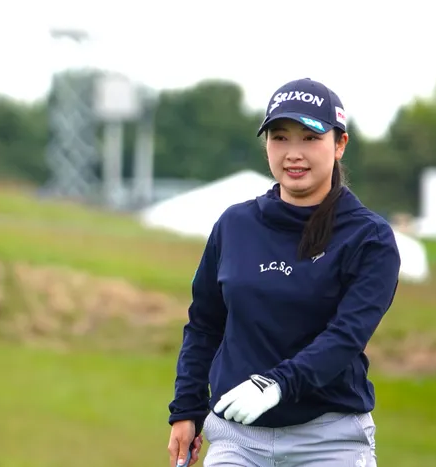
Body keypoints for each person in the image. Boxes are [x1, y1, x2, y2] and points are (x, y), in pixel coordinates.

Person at [166, 78, 401, 467]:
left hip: (330, 439)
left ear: (340, 144)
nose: (293, 153)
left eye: (310, 138)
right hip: (238, 439)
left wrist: (276, 385)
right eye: (280, 138)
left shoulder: (369, 238)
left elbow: (345, 337)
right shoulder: (235, 225)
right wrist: (187, 409)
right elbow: (205, 324)